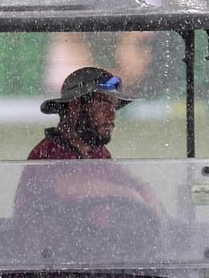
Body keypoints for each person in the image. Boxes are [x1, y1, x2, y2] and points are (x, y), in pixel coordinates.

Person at [16, 66, 160, 256]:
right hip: (46, 266)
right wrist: (129, 194)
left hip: (93, 261)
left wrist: (144, 191)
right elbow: (71, 187)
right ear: (75, 106)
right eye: (103, 105)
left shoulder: (99, 154)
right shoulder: (46, 153)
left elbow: (132, 183)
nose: (112, 115)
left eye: (114, 106)